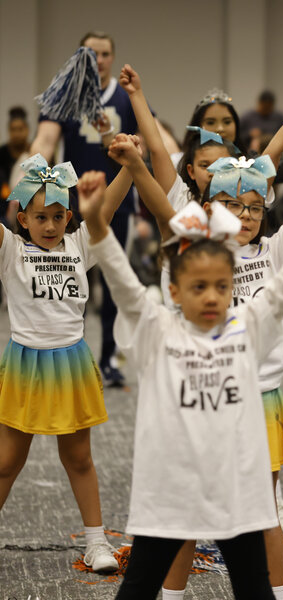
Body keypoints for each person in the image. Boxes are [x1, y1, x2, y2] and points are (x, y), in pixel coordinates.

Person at [79, 157, 283, 598]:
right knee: (138, 588)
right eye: (198, 287)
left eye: (221, 286)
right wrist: (95, 223)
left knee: (254, 590)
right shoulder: (156, 329)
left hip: (236, 489)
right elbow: (122, 282)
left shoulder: (247, 327)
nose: (212, 297)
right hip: (171, 490)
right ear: (174, 290)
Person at [0, 150, 137, 575]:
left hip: (70, 363)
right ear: (22, 219)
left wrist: (131, 166)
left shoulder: (80, 244)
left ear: (69, 217)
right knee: (6, 462)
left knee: (79, 459)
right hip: (24, 364)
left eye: (58, 216)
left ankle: (96, 543)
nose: (49, 225)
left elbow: (108, 206)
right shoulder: (10, 250)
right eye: (40, 217)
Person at [29, 31, 177, 388]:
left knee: (115, 282)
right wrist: (28, 181)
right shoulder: (65, 95)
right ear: (80, 56)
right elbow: (45, 141)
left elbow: (160, 142)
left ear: (113, 57)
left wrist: (186, 167)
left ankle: (110, 360)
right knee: (69, 281)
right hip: (68, 205)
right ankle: (68, 355)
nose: (99, 60)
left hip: (117, 203)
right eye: (91, 53)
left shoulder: (125, 97)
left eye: (105, 53)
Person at [0, 107, 30, 205]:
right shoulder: (2, 153)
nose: (16, 134)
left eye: (20, 129)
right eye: (13, 130)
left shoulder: (33, 152)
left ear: (27, 130)